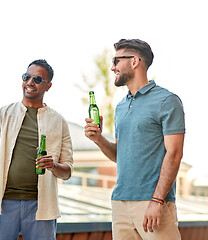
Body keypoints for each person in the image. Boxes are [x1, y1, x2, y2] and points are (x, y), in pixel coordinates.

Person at [84, 39, 185, 240]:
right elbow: (119, 155)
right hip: (120, 202)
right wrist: (99, 139)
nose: (113, 67)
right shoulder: (120, 106)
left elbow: (174, 154)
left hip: (154, 202)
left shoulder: (167, 101)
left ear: (135, 61)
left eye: (116, 61)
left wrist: (157, 200)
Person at [0, 59, 74, 240]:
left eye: (37, 79)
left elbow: (67, 171)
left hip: (42, 208)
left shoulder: (58, 121)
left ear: (48, 86)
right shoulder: (3, 114)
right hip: (3, 205)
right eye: (26, 77)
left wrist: (53, 165)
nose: (29, 82)